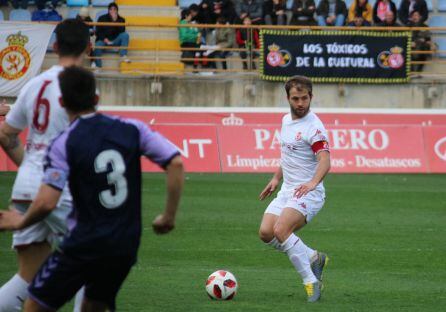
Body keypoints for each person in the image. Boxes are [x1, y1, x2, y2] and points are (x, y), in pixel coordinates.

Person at [0, 66, 184, 311]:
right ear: (96, 99)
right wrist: (168, 216)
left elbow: (46, 202)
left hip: (84, 243)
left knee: (34, 304)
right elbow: (175, 162)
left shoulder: (64, 142)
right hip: (125, 244)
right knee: (92, 306)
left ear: (63, 103)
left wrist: (19, 222)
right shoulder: (132, 129)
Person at [0, 19, 89, 312]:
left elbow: (5, 133)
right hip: (58, 188)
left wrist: (28, 167)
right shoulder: (81, 87)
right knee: (92, 257)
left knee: (29, 276)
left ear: (54, 46)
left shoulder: (35, 85)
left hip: (25, 188)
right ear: (88, 48)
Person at [258, 76, 330, 303]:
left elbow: (325, 160)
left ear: (311, 97)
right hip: (288, 190)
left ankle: (311, 282)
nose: (300, 103)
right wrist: (276, 178)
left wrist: (312, 183)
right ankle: (313, 257)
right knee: (266, 233)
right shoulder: (285, 120)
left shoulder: (314, 127)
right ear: (287, 98)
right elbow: (288, 154)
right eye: (295, 98)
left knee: (281, 230)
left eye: (305, 98)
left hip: (309, 193)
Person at [93, 2, 130, 68]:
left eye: (114, 9)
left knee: (125, 35)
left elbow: (122, 31)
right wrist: (104, 39)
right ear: (108, 10)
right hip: (104, 40)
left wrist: (115, 21)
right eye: (111, 9)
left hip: (115, 40)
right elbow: (98, 31)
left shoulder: (121, 19)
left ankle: (123, 55)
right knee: (98, 45)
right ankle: (98, 66)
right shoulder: (102, 18)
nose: (112, 11)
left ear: (117, 10)